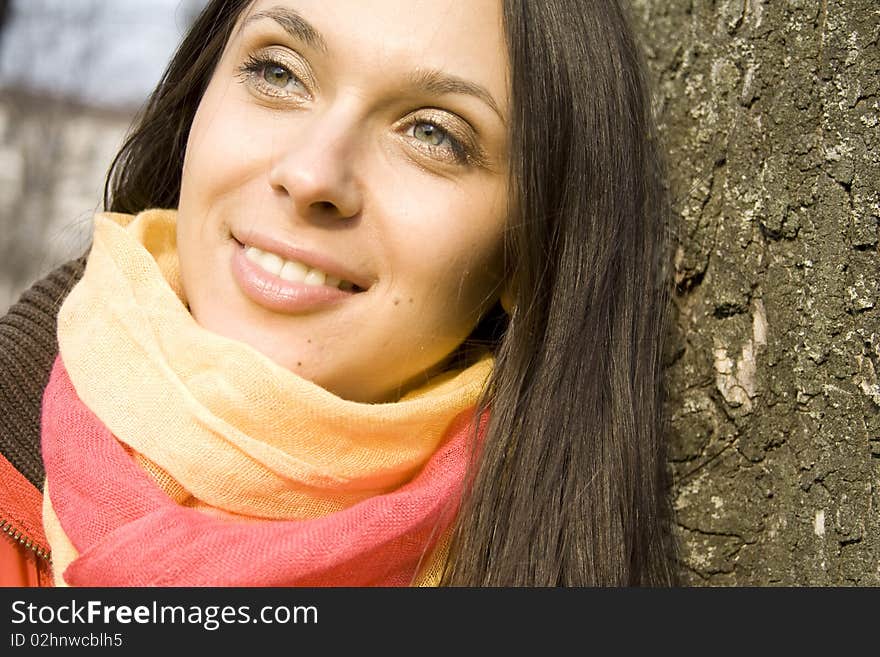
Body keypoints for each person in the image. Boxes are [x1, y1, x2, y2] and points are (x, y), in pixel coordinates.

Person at [0, 0, 679, 586]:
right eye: (278, 72)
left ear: (524, 256)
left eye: (433, 132)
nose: (311, 172)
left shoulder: (560, 549)